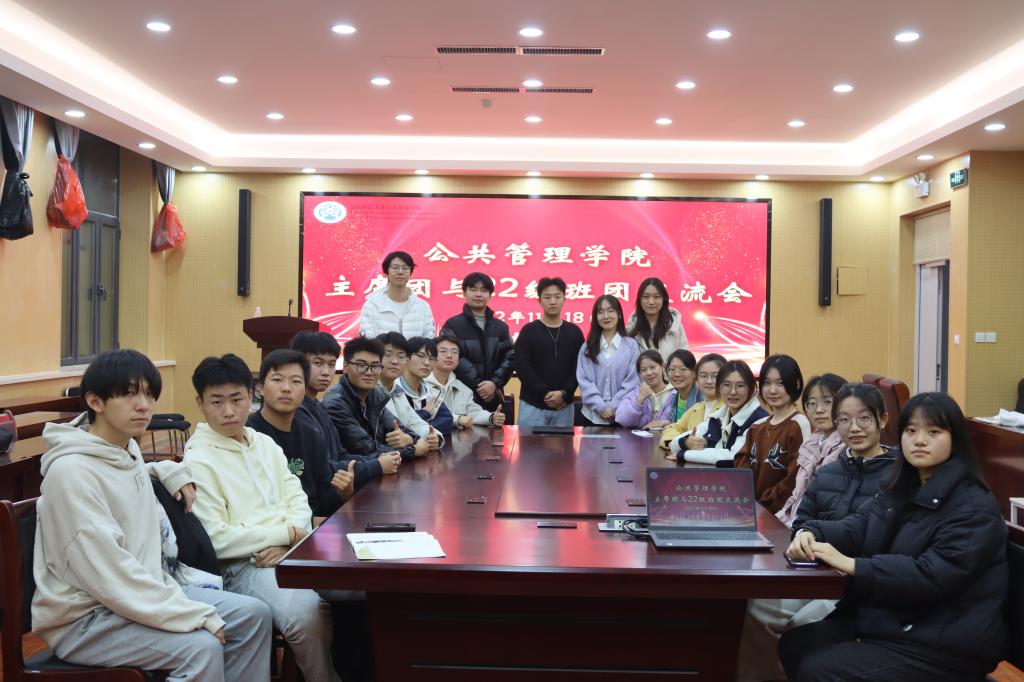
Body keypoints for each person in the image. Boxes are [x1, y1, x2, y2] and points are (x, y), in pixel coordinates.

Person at [31, 349, 272, 682]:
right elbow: (110, 574)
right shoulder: (71, 474)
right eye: (129, 394)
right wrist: (189, 615)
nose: (144, 405)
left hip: (142, 591)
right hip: (89, 618)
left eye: (149, 394)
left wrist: (165, 470)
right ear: (95, 401)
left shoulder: (124, 449)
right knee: (201, 647)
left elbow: (121, 478)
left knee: (253, 615)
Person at [779, 393, 1008, 681]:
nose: (919, 440)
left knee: (819, 670)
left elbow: (930, 576)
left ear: (956, 440)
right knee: (796, 645)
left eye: (933, 432)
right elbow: (858, 527)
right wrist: (811, 531)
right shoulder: (902, 488)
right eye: (911, 431)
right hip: (896, 622)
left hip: (945, 642)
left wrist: (854, 565)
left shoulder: (973, 506)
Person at [184, 354, 340, 682]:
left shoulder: (264, 443)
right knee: (306, 613)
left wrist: (291, 539)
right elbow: (216, 539)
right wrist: (287, 534)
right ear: (200, 403)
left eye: (237, 399)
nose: (229, 411)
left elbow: (297, 499)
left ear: (251, 394)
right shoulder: (198, 460)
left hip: (294, 547)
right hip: (244, 565)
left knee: (364, 584)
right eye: (217, 402)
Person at [738, 379, 896, 682]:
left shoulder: (898, 474)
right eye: (844, 420)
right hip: (815, 574)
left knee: (801, 625)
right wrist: (802, 535)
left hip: (860, 582)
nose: (854, 428)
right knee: (758, 607)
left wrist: (817, 533)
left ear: (883, 419)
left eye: (864, 418)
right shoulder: (828, 471)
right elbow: (802, 520)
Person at [247, 349, 353, 525]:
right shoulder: (247, 435)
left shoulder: (312, 435)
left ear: (304, 389)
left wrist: (343, 493)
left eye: (296, 381)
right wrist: (307, 525)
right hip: (271, 531)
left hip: (311, 528)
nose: (286, 388)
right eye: (277, 380)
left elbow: (323, 499)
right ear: (261, 388)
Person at [289, 330, 378, 490]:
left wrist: (380, 458)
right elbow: (322, 468)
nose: (326, 372)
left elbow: (340, 454)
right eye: (318, 363)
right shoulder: (295, 411)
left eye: (331, 364)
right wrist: (377, 465)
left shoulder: (319, 406)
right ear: (298, 364)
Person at [732, 354, 812, 514]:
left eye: (780, 383)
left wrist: (762, 506)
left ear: (796, 384)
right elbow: (741, 469)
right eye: (767, 383)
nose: (772, 390)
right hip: (751, 512)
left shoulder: (799, 424)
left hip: (779, 517)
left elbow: (795, 479)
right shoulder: (757, 427)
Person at [321, 335, 408, 471]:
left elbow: (403, 430)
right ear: (345, 367)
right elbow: (365, 447)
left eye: (375, 366)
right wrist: (413, 450)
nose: (369, 372)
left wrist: (408, 439)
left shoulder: (374, 396)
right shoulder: (335, 402)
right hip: (352, 475)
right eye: (361, 365)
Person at [776, 374, 851, 527]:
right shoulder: (812, 443)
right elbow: (796, 498)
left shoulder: (847, 449)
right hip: (795, 526)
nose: (819, 410)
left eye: (828, 402)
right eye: (812, 403)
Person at [513, 277, 585, 427]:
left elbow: (579, 368)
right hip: (532, 405)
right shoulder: (528, 331)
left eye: (557, 297)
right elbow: (522, 367)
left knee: (563, 444)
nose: (553, 301)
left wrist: (564, 393)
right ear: (539, 301)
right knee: (529, 443)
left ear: (564, 299)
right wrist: (544, 393)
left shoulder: (575, 332)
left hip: (564, 405)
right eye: (547, 297)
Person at [439, 272, 515, 411]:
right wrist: (480, 386)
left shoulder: (501, 327)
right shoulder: (452, 325)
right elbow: (452, 357)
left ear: (490, 295)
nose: (478, 294)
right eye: (473, 289)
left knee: (494, 425)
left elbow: (511, 356)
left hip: (494, 396)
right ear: (464, 293)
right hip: (461, 395)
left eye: (484, 290)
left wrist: (494, 383)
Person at [667, 359, 767, 464]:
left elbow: (734, 456)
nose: (733, 392)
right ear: (719, 388)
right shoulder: (719, 416)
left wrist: (684, 454)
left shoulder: (759, 419)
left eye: (740, 385)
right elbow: (674, 444)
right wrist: (686, 443)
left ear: (751, 388)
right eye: (727, 385)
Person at [575, 294, 640, 426]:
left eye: (611, 311)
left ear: (619, 314)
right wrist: (601, 408)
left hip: (623, 415)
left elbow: (633, 381)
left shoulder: (631, 346)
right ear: (595, 317)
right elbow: (584, 381)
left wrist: (613, 407)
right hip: (592, 417)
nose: (606, 316)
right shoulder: (587, 347)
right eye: (600, 312)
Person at [375, 332, 440, 453]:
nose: (395, 361)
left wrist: (432, 436)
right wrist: (413, 444)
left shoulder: (397, 391)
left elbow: (414, 422)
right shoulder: (369, 392)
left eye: (401, 356)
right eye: (388, 355)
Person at [425, 335, 506, 429]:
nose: (449, 356)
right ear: (431, 356)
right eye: (443, 351)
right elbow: (422, 416)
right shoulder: (421, 386)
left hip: (458, 437)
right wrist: (457, 419)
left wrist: (491, 418)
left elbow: (474, 413)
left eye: (455, 352)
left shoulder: (461, 388)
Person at [359, 250, 435, 338]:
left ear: (410, 272)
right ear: (386, 272)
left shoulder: (422, 306)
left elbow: (429, 338)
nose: (400, 272)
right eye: (395, 268)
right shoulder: (372, 305)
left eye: (405, 268)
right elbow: (367, 339)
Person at [660, 353, 726, 449]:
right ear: (697, 378)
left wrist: (680, 445)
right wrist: (674, 444)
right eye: (703, 376)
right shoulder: (696, 408)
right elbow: (671, 428)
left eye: (715, 376)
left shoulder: (728, 408)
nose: (709, 381)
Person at [396, 336, 455, 437]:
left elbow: (447, 420)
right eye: (421, 356)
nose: (427, 363)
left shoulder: (432, 392)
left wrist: (418, 430)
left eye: (432, 359)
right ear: (406, 357)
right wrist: (425, 413)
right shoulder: (393, 390)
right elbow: (397, 425)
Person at [626, 277, 687, 359]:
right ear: (639, 299)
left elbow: (685, 359)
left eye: (657, 297)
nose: (651, 302)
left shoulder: (675, 326)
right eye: (646, 297)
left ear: (664, 299)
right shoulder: (631, 328)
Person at [614, 350, 677, 429]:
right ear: (640, 374)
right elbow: (622, 420)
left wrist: (665, 422)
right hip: (639, 437)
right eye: (644, 370)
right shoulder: (635, 394)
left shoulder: (675, 394)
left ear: (662, 366)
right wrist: (639, 400)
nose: (649, 373)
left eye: (653, 367)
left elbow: (681, 420)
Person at [665, 349, 702, 416]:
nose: (677, 374)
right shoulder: (672, 398)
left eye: (683, 369)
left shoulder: (702, 399)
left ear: (694, 372)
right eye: (672, 369)